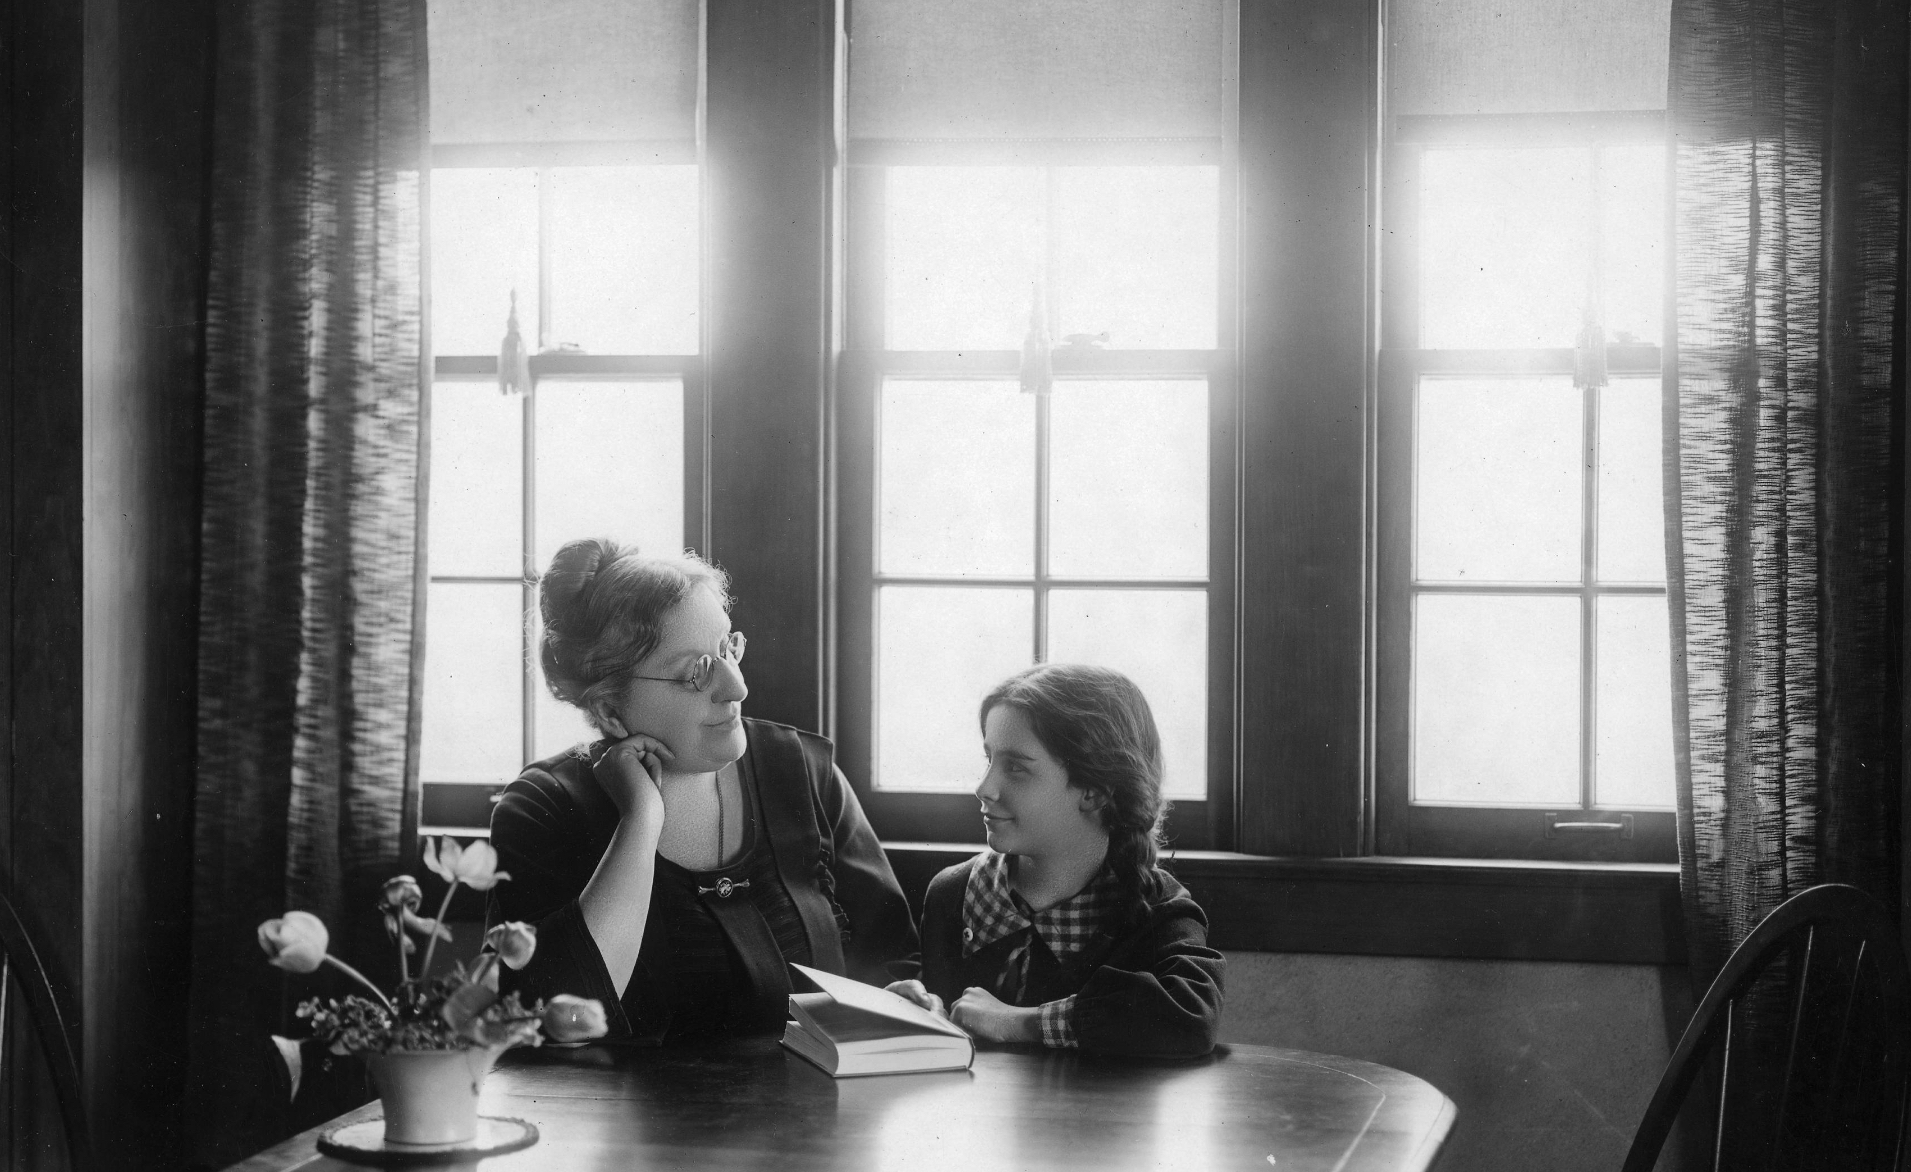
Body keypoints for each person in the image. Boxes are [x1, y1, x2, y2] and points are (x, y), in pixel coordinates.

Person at [488, 539, 919, 1043]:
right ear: (610, 710)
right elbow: (558, 1023)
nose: (737, 687)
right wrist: (640, 822)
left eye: (727, 649)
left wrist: (904, 999)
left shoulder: (801, 770)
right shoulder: (542, 808)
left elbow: (892, 961)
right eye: (695, 672)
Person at [890, 664, 1224, 1057]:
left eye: (1016, 767)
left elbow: (1192, 1017)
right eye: (989, 759)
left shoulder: (1156, 909)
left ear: (1094, 792)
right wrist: (914, 1010)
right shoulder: (953, 894)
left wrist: (1021, 1022)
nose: (984, 787)